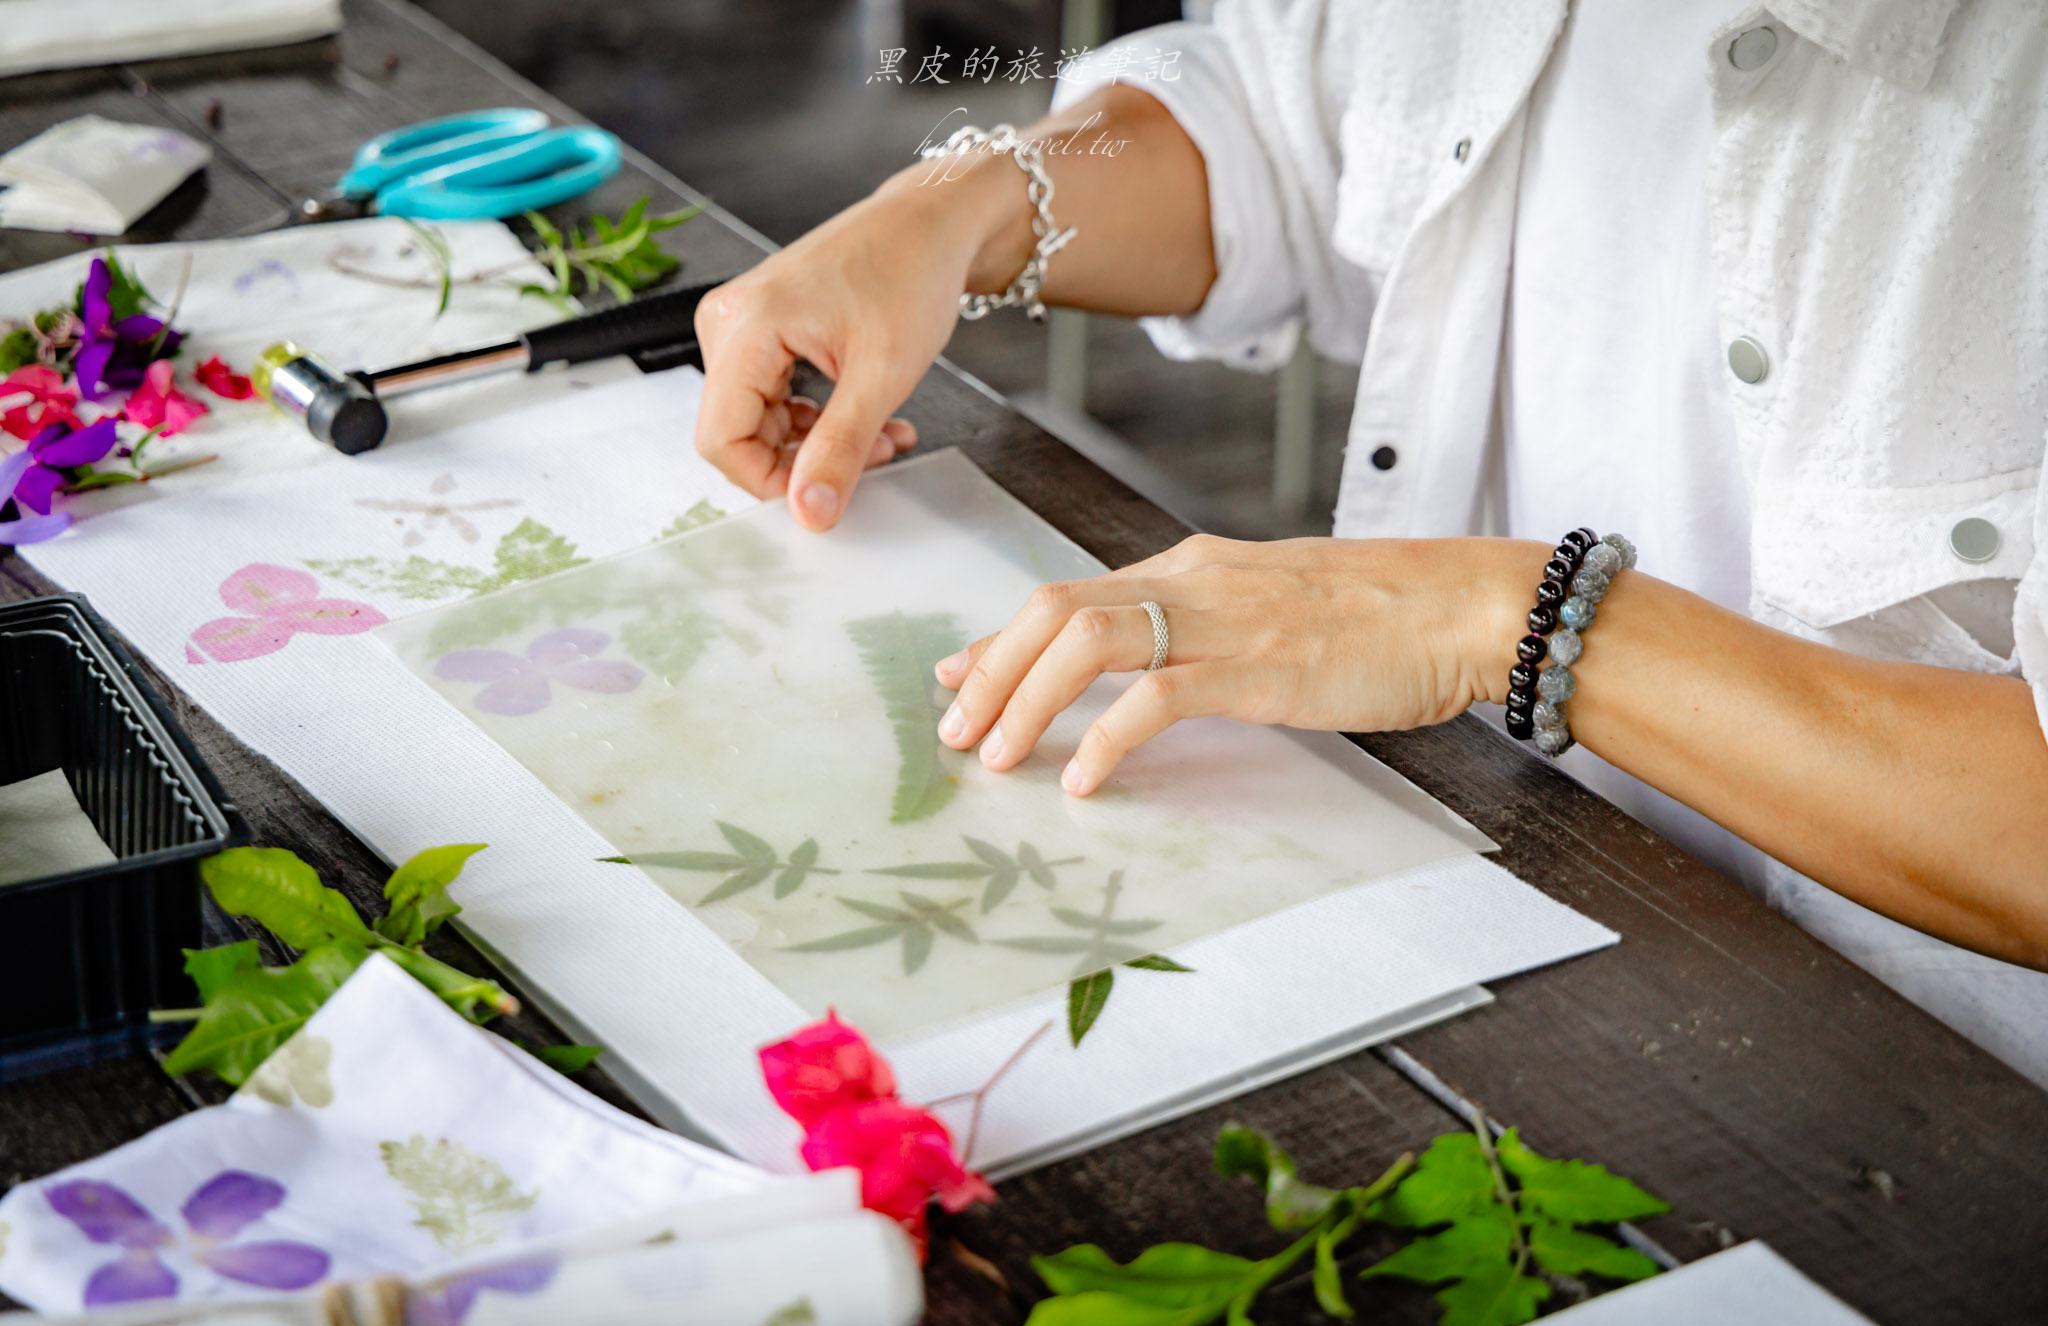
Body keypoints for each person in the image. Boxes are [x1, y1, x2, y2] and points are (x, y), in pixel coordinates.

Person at [690, 0, 2048, 1086]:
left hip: (1932, 1106)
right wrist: (964, 206)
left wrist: (1489, 617)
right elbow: (1282, 130)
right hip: (1506, 900)